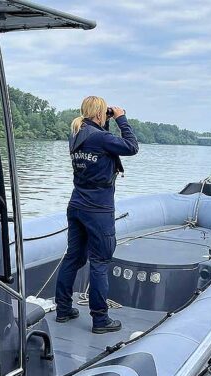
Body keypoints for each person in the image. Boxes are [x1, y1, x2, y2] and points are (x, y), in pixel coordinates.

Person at [55, 96, 139, 334]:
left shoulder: (77, 134)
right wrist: (121, 118)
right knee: (100, 262)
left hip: (77, 205)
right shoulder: (100, 138)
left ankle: (63, 309)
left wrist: (107, 120)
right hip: (98, 209)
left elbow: (103, 143)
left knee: (73, 257)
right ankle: (100, 320)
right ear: (100, 113)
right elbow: (131, 147)